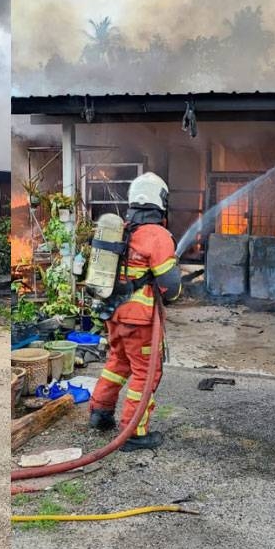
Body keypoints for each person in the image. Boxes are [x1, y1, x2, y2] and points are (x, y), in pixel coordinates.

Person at [89, 172, 181, 451]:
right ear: (159, 200)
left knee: (118, 362)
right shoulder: (157, 235)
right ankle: (133, 432)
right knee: (146, 372)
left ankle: (99, 413)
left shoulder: (123, 230)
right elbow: (170, 284)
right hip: (138, 319)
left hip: (113, 313)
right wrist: (175, 294)